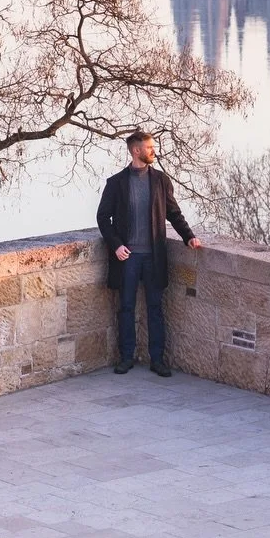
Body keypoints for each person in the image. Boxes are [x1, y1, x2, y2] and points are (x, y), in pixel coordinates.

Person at [95, 129, 201, 376]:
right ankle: (126, 358)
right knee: (126, 307)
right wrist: (116, 245)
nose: (154, 151)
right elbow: (103, 218)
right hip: (127, 258)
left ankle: (158, 360)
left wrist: (189, 236)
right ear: (136, 151)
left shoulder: (161, 181)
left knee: (155, 307)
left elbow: (173, 213)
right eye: (150, 148)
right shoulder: (116, 183)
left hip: (154, 257)